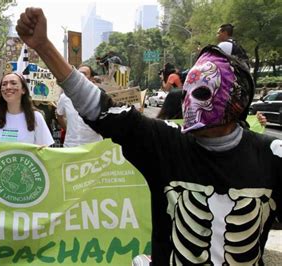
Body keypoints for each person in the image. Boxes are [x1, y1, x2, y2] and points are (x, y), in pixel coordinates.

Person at [16, 8, 280, 265]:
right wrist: (44, 46)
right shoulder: (166, 142)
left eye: (202, 93)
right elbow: (100, 107)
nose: (190, 102)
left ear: (238, 98)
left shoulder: (272, 155)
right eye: (188, 91)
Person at [0, 73, 54, 146]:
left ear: (23, 90)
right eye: (4, 84)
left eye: (13, 83)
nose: (8, 87)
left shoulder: (36, 117)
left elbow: (44, 150)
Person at [56, 65, 102, 147]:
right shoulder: (65, 97)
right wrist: (69, 130)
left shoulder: (99, 96)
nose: (81, 76)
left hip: (93, 147)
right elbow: (59, 115)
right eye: (79, 73)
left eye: (84, 74)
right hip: (71, 145)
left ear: (91, 78)